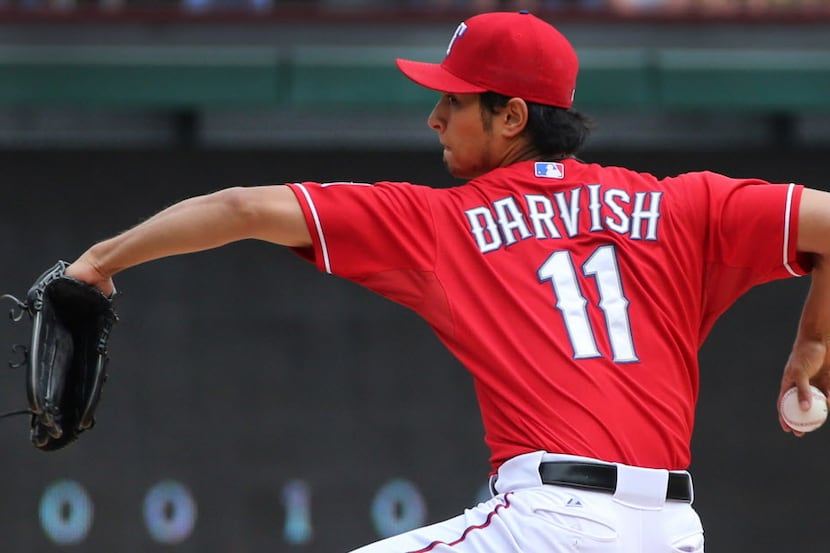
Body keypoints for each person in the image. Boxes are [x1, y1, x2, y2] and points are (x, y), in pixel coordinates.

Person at [63, 10, 830, 553]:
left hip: (549, 523)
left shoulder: (445, 221)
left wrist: (100, 260)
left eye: (454, 100)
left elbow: (240, 208)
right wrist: (812, 341)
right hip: (672, 531)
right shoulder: (681, 204)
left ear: (512, 117)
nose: (434, 117)